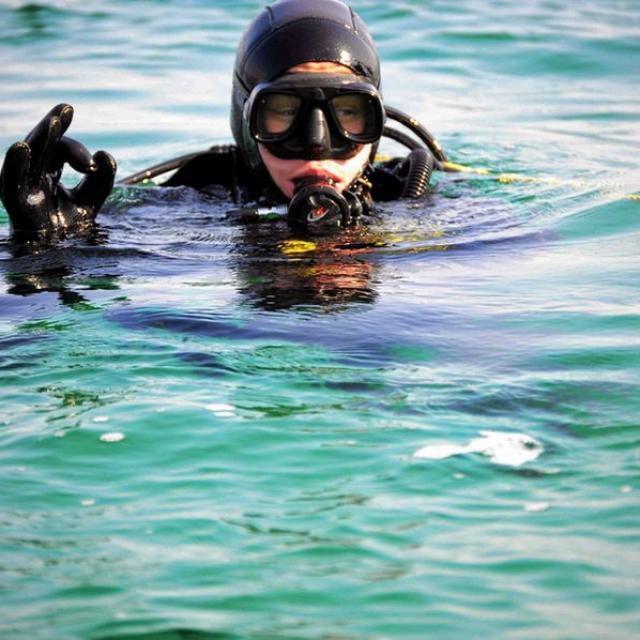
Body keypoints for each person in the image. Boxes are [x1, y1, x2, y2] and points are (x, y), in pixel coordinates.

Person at [0, 0, 448, 243]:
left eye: (348, 114)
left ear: (376, 121)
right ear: (245, 118)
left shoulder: (413, 197)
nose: (316, 143)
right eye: (284, 112)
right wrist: (46, 245)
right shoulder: (196, 194)